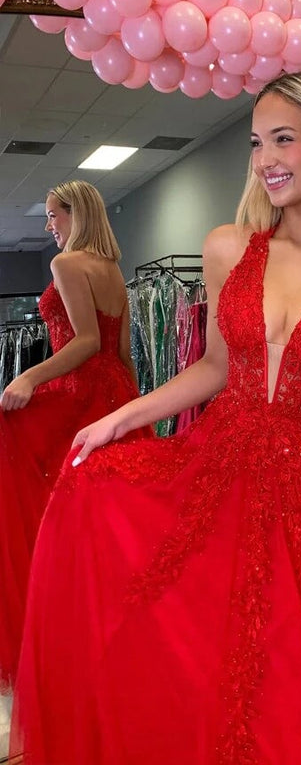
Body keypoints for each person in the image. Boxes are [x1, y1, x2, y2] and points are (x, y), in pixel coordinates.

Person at [11, 72, 301, 765]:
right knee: (207, 640)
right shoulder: (228, 248)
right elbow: (214, 367)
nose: (266, 159)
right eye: (256, 143)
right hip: (223, 464)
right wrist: (121, 418)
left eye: (283, 139)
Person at [0, 180, 149, 691]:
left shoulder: (66, 264)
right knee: (108, 518)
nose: (48, 225)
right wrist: (135, 408)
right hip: (116, 391)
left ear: (75, 213)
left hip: (80, 393)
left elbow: (85, 341)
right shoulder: (112, 271)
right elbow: (122, 354)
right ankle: (108, 635)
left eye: (52, 215)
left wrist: (27, 377)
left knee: (33, 479)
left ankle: (51, 624)